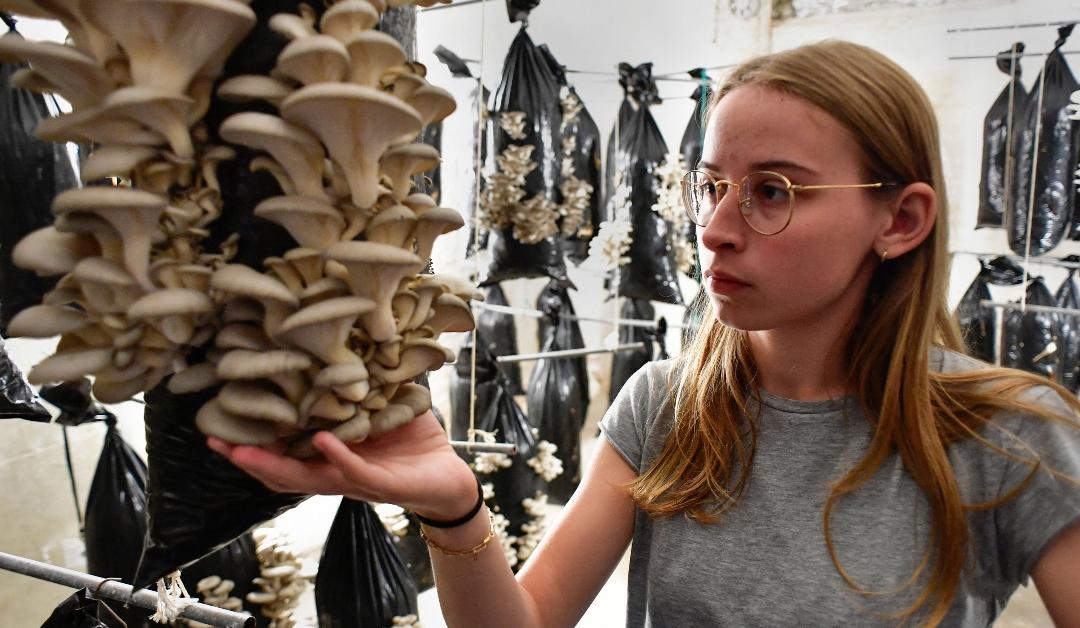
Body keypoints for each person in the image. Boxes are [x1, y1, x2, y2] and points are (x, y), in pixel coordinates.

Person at [208, 40, 1080, 627]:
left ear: (901, 220)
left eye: (772, 190)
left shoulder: (1005, 434)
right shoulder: (666, 407)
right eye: (711, 186)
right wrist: (454, 506)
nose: (715, 228)